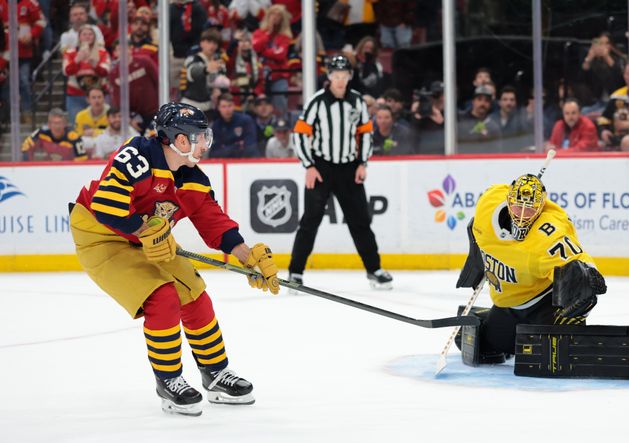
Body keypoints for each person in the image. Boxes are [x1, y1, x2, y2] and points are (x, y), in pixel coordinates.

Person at [68, 102, 280, 416]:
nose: (204, 143)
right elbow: (106, 205)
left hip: (149, 239)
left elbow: (213, 221)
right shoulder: (137, 155)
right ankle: (169, 380)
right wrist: (144, 230)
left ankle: (216, 373)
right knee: (162, 298)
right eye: (198, 136)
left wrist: (247, 257)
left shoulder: (192, 177)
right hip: (102, 238)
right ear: (178, 139)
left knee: (195, 294)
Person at [455, 172, 629, 380]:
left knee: (559, 353)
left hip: (543, 304)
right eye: (518, 207)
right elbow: (476, 227)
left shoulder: (547, 235)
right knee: (480, 346)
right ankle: (487, 317)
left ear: (541, 208)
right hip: (508, 304)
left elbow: (578, 263)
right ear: (508, 200)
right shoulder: (488, 204)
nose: (523, 215)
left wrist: (587, 276)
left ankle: (607, 345)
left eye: (531, 209)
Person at [290, 55, 392, 289]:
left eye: (343, 76)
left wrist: (362, 163)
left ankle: (374, 269)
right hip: (321, 168)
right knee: (310, 220)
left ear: (349, 77)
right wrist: (309, 165)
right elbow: (300, 133)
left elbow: (366, 133)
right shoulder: (316, 101)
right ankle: (295, 272)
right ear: (329, 77)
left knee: (360, 220)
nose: (339, 80)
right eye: (335, 76)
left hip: (349, 168)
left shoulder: (357, 102)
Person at [62, 24, 111, 124]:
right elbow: (66, 71)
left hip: (99, 95)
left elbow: (105, 72)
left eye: (90, 34)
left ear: (95, 37)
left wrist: (94, 64)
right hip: (76, 95)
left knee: (103, 125)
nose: (87, 36)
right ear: (79, 37)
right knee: (76, 125)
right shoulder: (70, 53)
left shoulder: (102, 52)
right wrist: (77, 60)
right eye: (84, 34)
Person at [180, 28, 228, 113]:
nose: (212, 46)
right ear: (201, 43)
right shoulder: (193, 59)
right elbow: (193, 72)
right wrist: (205, 69)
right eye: (209, 42)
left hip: (209, 106)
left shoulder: (218, 60)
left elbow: (222, 80)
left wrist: (219, 90)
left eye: (215, 43)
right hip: (191, 106)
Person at [22, 108, 88, 162]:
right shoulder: (41, 133)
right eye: (54, 123)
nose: (57, 127)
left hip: (68, 169)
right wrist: (30, 166)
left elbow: (82, 158)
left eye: (59, 123)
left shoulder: (74, 137)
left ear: (65, 124)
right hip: (47, 169)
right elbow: (26, 147)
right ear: (49, 125)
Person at [209, 93, 260, 158]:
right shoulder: (216, 125)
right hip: (225, 161)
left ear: (234, 106)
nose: (227, 109)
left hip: (245, 160)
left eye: (229, 106)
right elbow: (214, 151)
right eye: (224, 106)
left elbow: (251, 144)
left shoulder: (246, 120)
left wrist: (226, 147)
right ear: (219, 108)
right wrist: (237, 145)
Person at [457, 84, 502, 153]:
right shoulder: (459, 119)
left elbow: (497, 152)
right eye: (479, 99)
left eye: (486, 101)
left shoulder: (493, 127)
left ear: (490, 104)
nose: (482, 103)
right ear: (473, 101)